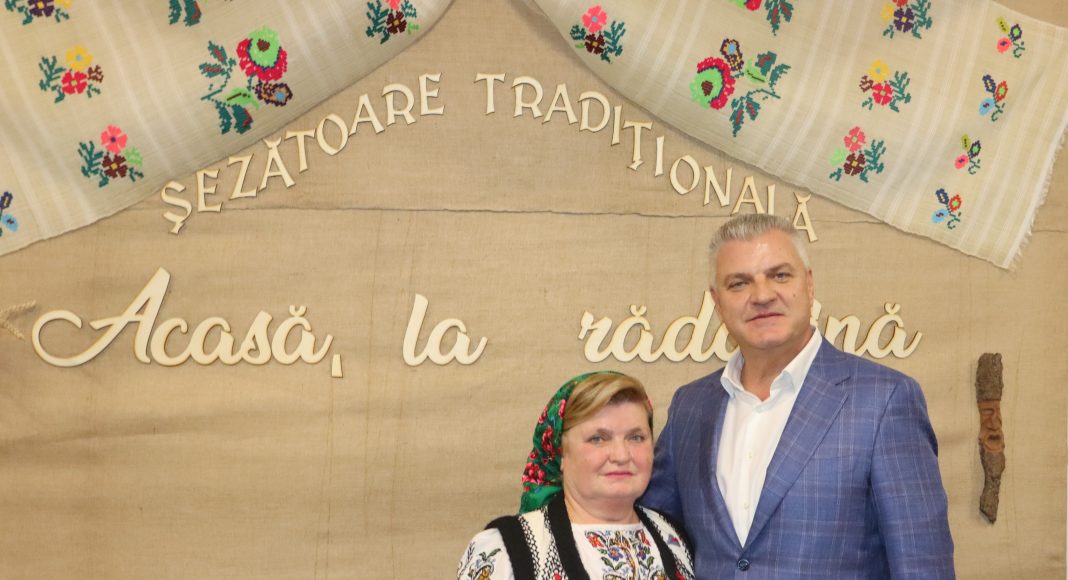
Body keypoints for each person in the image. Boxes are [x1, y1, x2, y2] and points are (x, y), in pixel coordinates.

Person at [641, 213, 954, 578]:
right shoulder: (690, 407)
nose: (762, 295)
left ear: (809, 284)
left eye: (779, 275)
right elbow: (647, 532)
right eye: (739, 283)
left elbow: (922, 566)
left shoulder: (884, 401)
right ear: (717, 301)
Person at [458, 371, 695, 579]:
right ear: (560, 452)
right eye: (598, 439)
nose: (621, 455)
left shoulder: (674, 539)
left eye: (636, 437)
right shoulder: (506, 551)